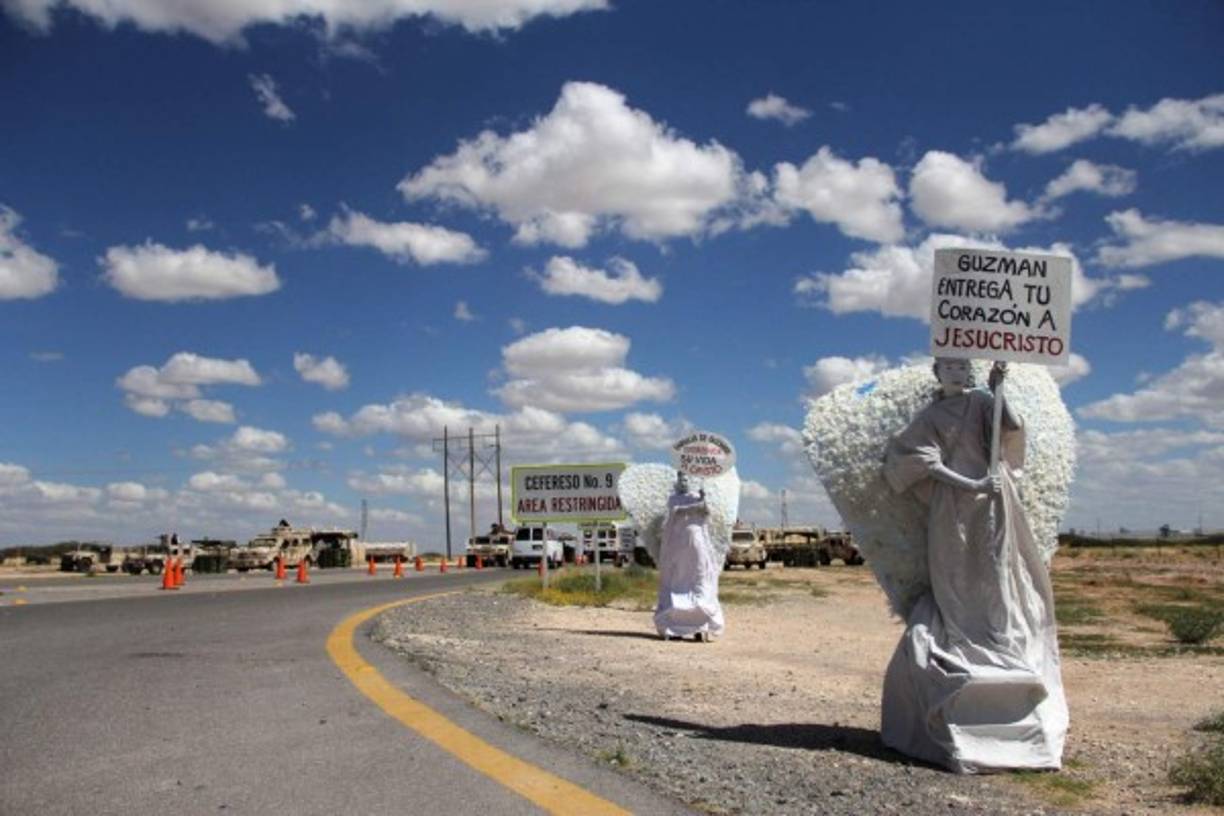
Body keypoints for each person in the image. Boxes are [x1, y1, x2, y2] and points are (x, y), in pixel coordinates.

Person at [880, 358, 1067, 773]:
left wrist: (999, 389)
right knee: (956, 575)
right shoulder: (931, 417)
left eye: (964, 367)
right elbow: (924, 463)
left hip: (995, 498)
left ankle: (999, 637)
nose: (958, 373)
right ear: (938, 374)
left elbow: (1010, 427)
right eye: (950, 367)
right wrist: (972, 484)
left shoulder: (982, 401)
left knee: (998, 569)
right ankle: (966, 635)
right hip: (954, 504)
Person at [654, 471, 725, 641]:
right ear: (677, 481)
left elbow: (706, 513)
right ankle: (674, 626)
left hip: (697, 544)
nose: (684, 482)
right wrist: (694, 506)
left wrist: (704, 499)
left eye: (686, 478)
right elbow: (675, 513)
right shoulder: (673, 499)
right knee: (678, 580)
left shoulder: (697, 496)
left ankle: (701, 626)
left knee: (700, 579)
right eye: (681, 479)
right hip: (678, 547)